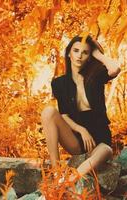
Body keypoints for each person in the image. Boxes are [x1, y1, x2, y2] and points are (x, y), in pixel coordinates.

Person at [41, 35, 121, 180]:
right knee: (48, 112)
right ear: (69, 54)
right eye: (76, 51)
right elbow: (64, 115)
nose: (79, 56)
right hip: (76, 139)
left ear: (89, 57)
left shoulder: (96, 77)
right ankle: (56, 171)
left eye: (85, 52)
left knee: (107, 150)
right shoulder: (59, 83)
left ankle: (67, 182)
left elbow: (115, 68)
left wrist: (96, 52)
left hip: (99, 138)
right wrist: (81, 130)